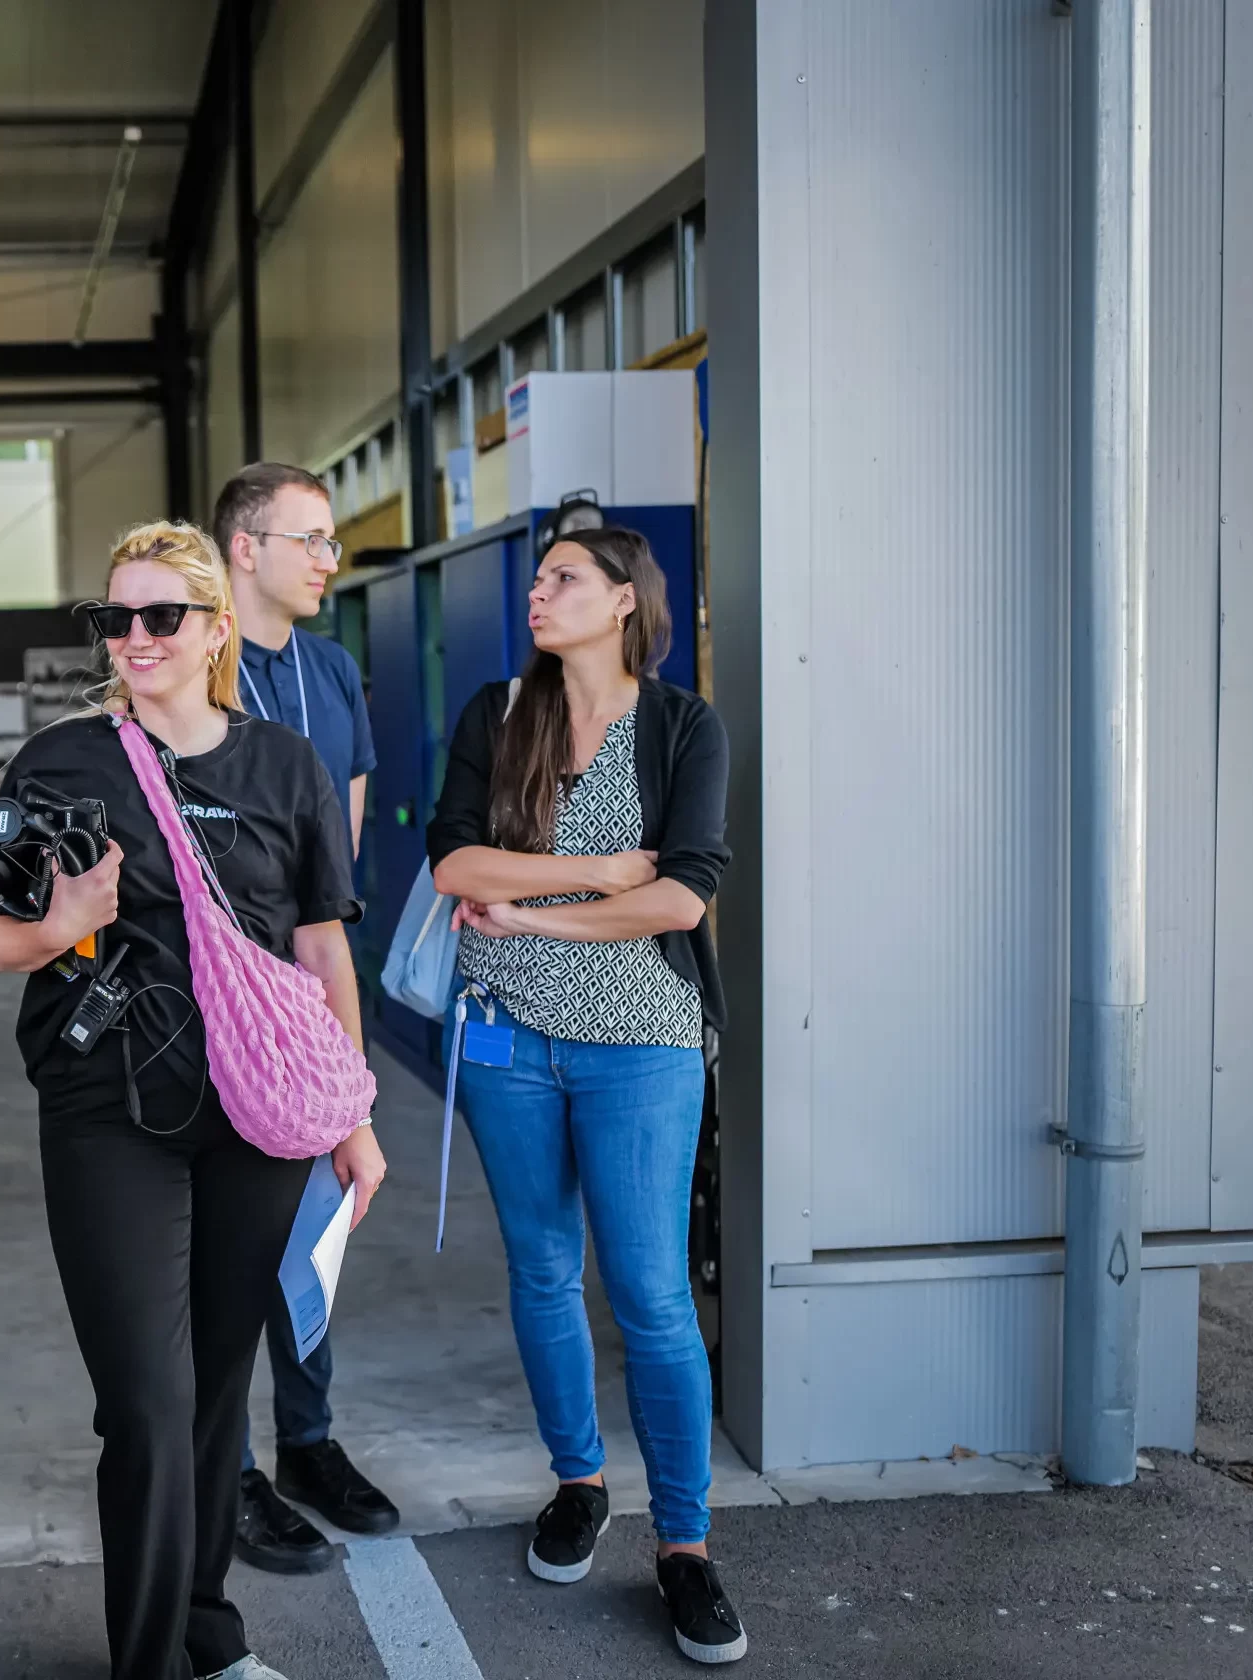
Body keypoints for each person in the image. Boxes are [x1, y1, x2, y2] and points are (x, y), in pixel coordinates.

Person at [0, 521, 385, 1680]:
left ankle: (207, 1632)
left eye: (161, 616)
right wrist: (65, 920)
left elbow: (320, 949)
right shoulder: (61, 763)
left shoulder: (285, 766)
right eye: (116, 618)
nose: (135, 637)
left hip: (259, 1115)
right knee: (147, 1402)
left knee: (215, 1393)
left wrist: (350, 1116)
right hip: (109, 1113)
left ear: (215, 629)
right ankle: (147, 1661)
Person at [425, 526, 746, 1666]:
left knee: (652, 1294)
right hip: (506, 1038)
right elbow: (453, 862)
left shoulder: (683, 726)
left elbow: (681, 899)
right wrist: (600, 873)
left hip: (641, 1044)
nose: (539, 591)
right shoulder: (499, 713)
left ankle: (686, 1545)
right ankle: (578, 1483)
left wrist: (534, 914)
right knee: (543, 1270)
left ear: (622, 602)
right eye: (539, 576)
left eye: (564, 577)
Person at [212, 462, 398, 1572]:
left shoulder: (330, 671)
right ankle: (228, 1466)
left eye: (331, 540)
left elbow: (344, 857)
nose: (331, 558)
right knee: (230, 1234)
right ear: (246, 548)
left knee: (319, 1216)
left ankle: (307, 1442)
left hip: (311, 985)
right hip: (220, 996)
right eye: (311, 539)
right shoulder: (196, 665)